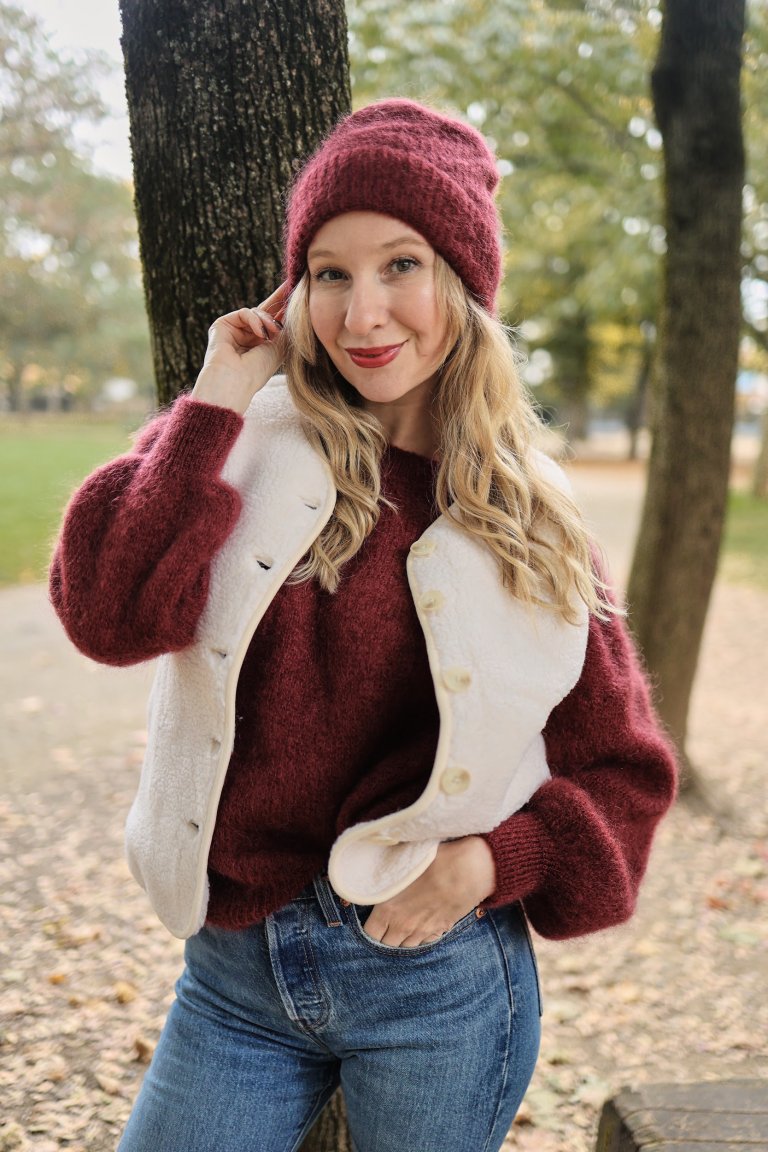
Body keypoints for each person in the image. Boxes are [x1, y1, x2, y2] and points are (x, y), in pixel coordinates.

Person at [49, 99, 677, 1152]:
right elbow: (108, 614)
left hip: (438, 988)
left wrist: (492, 863)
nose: (364, 312)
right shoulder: (240, 442)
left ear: (463, 283)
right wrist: (213, 400)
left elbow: (625, 772)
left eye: (402, 265)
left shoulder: (531, 518)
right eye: (329, 273)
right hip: (236, 978)